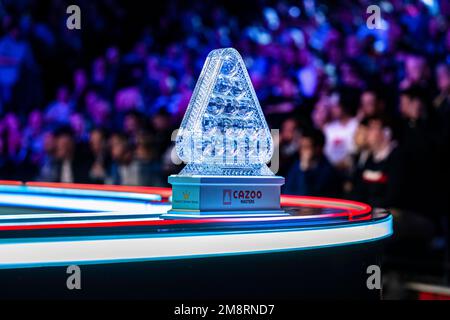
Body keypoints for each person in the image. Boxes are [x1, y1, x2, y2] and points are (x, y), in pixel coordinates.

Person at [350, 116, 400, 208]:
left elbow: (392, 197)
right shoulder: (369, 158)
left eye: (372, 128)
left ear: (386, 133)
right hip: (369, 212)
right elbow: (359, 191)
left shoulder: (397, 158)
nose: (367, 133)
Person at [283, 128, 340, 197]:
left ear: (318, 148)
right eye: (301, 147)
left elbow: (307, 195)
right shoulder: (296, 165)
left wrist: (304, 172)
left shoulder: (327, 171)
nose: (302, 151)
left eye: (306, 147)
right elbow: (286, 191)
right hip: (293, 206)